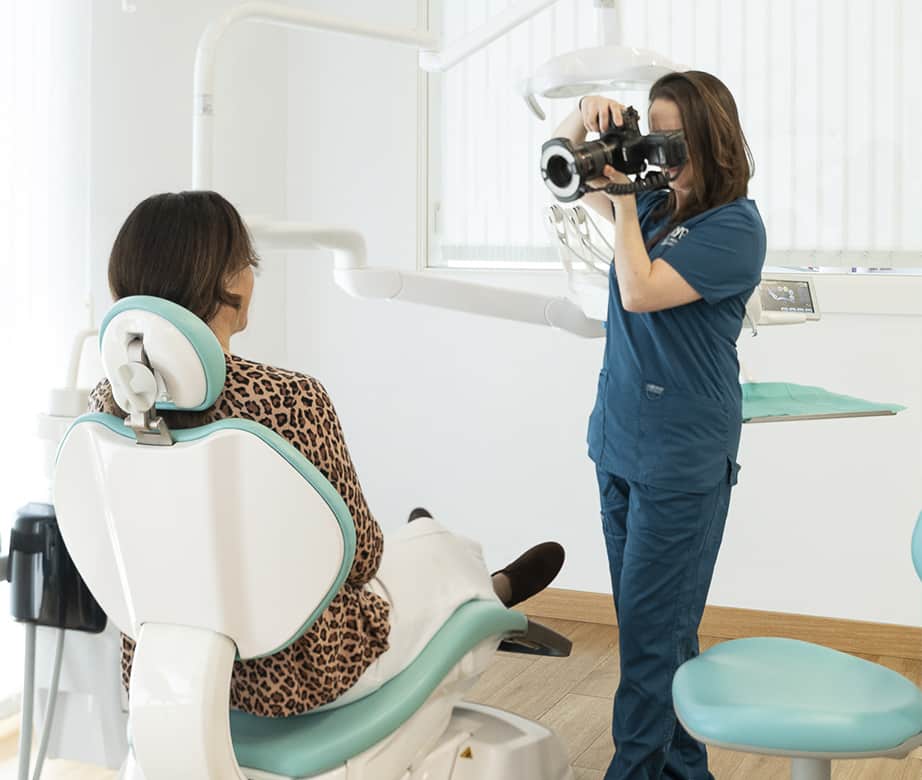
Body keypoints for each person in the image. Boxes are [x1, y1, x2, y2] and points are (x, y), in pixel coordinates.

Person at [88, 190, 565, 718]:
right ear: (230, 284)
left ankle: (440, 548)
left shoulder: (109, 406)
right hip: (301, 671)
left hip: (161, 672)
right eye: (248, 264)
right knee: (426, 557)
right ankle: (489, 590)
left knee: (417, 550)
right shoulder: (290, 399)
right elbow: (361, 557)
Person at [552, 71, 766, 779]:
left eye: (674, 138)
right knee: (658, 634)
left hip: (680, 460)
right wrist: (582, 115)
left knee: (649, 646)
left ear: (711, 139)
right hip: (617, 443)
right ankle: (685, 772)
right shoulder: (649, 205)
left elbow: (640, 291)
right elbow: (557, 168)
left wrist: (622, 203)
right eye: (655, 135)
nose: (660, 152)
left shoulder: (735, 227)